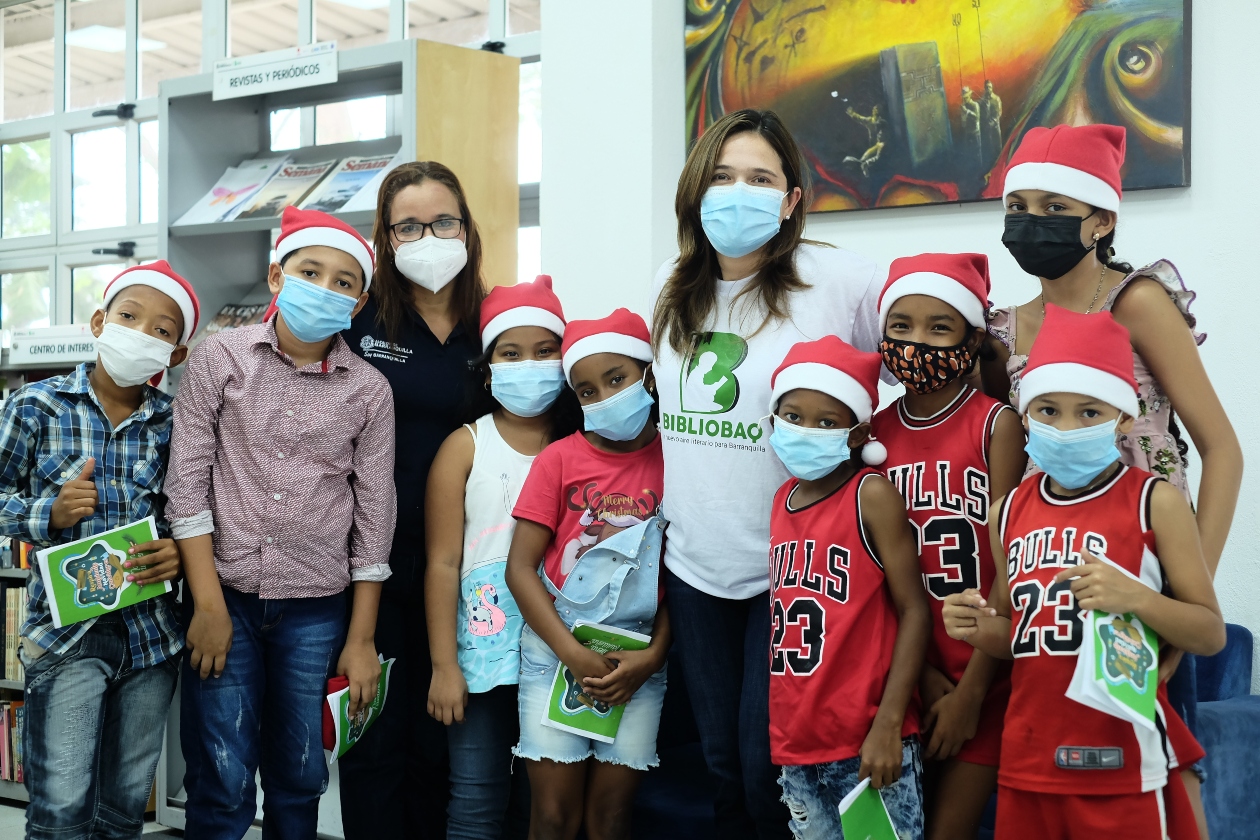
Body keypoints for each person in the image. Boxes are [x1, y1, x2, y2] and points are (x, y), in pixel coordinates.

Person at [983, 123, 1241, 832]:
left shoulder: (1138, 304)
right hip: (1058, 595)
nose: (1032, 222)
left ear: (1101, 220)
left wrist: (1187, 610)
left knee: (1164, 776)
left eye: (1054, 206)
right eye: (1019, 205)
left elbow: (1222, 450)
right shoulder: (1003, 333)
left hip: (1149, 586)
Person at [650, 108, 884, 840]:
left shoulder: (837, 279)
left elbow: (926, 349)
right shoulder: (671, 283)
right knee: (722, 766)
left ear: (790, 200)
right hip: (694, 564)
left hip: (791, 566)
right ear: (694, 191)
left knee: (766, 770)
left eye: (760, 178)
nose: (738, 193)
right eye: (721, 177)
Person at [945, 306, 1224, 840]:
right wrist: (974, 624)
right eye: (1048, 410)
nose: (1066, 427)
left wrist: (1136, 598)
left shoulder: (1155, 502)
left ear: (1123, 417)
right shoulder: (1005, 510)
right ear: (1025, 415)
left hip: (1123, 758)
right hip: (1028, 759)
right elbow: (1019, 635)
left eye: (1088, 412)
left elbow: (1209, 634)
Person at [167, 207, 396, 840]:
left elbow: (376, 517)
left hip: (319, 608)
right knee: (222, 774)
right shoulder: (220, 359)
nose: (325, 288)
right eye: (310, 271)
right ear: (276, 277)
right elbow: (187, 484)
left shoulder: (370, 390)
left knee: (300, 777)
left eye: (344, 281)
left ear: (360, 301)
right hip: (226, 601)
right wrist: (207, 606)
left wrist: (362, 637)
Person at [0, 262, 198, 840]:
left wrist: (177, 553)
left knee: (125, 804)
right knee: (61, 806)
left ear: (177, 356)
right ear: (99, 321)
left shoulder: (174, 424)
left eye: (162, 330)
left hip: (151, 636)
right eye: (129, 317)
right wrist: (48, 513)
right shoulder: (37, 406)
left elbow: (187, 512)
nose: (142, 334)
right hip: (65, 638)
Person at [341, 161, 488, 838]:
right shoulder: (357, 321)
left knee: (445, 752)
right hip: (368, 572)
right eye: (409, 225)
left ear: (467, 227)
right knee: (374, 753)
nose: (428, 236)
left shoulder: (496, 325)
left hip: (471, 573)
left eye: (443, 221)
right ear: (386, 236)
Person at [870, 253, 1027, 840]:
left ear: (970, 336)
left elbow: (1010, 564)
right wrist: (917, 677)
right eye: (901, 326)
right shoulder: (873, 434)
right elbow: (873, 577)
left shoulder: (996, 425)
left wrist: (971, 692)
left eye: (940, 327)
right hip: (904, 672)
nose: (918, 342)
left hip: (982, 676)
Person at [505, 310, 670, 840]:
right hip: (554, 654)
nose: (603, 397)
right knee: (552, 818)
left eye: (617, 379)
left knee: (611, 821)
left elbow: (685, 577)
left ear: (648, 373)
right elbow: (519, 569)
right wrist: (572, 654)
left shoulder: (678, 459)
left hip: (637, 663)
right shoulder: (557, 460)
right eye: (586, 390)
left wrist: (653, 656)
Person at [425, 276, 579, 839]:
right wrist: (444, 666)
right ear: (488, 366)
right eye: (511, 353)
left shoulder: (581, 448)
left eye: (545, 351)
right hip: (481, 660)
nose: (529, 365)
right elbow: (442, 564)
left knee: (540, 808)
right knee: (475, 801)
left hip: (563, 656)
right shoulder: (465, 446)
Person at [766, 336, 930, 839]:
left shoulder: (870, 494)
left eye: (825, 422)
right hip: (797, 741)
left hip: (868, 738)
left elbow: (914, 611)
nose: (805, 431)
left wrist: (889, 724)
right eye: (792, 416)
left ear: (858, 434)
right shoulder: (781, 499)